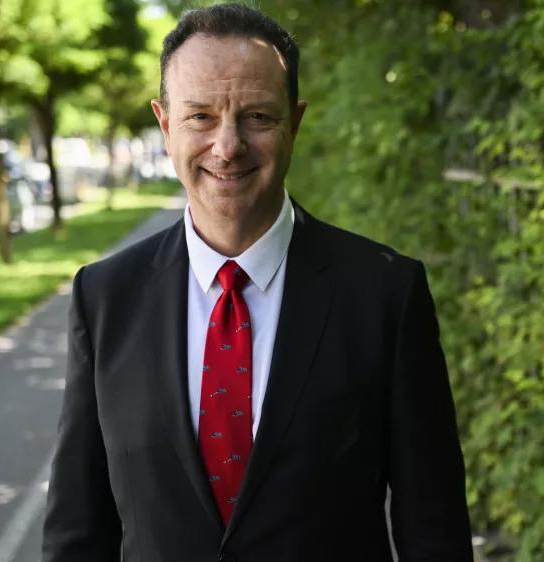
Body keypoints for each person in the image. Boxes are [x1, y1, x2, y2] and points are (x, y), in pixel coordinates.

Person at [41, 3, 474, 561]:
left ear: (295, 122)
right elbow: (78, 532)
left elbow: (433, 529)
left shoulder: (386, 295)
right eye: (200, 116)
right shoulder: (103, 299)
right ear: (165, 124)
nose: (228, 146)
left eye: (258, 117)